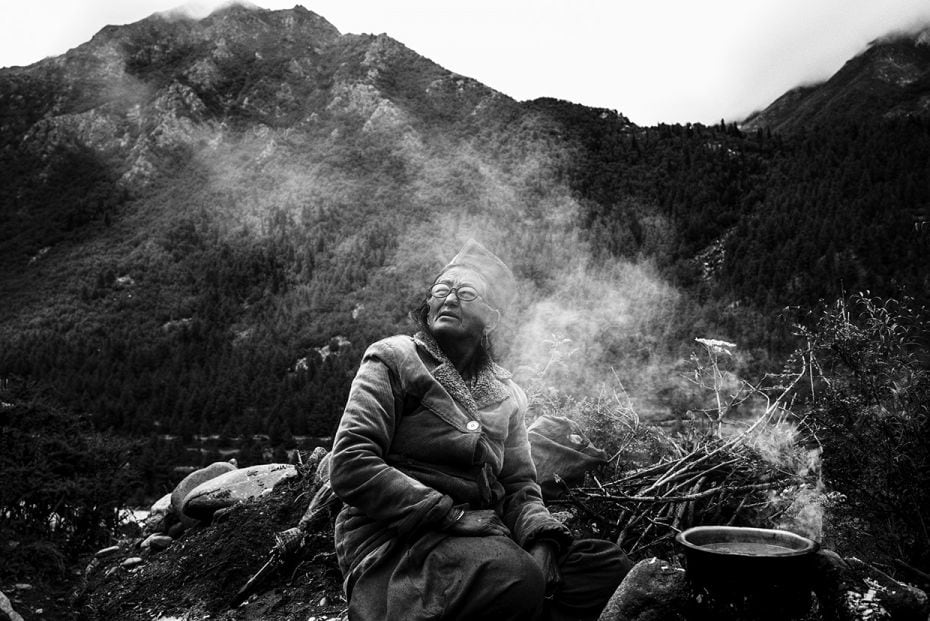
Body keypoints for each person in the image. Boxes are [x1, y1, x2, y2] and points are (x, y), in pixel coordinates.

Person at [329, 239, 631, 620]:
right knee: (514, 576)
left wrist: (541, 539)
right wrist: (451, 516)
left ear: (491, 317)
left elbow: (520, 484)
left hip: (485, 540)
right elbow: (351, 463)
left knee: (605, 567)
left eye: (466, 292)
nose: (449, 299)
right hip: (399, 539)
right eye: (441, 290)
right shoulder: (395, 357)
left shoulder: (507, 393)